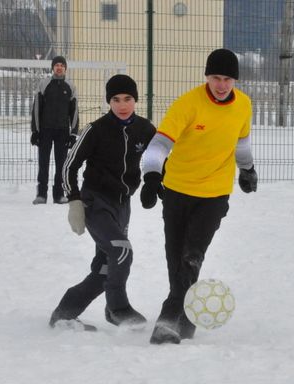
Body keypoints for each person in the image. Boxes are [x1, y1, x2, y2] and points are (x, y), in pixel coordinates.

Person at [140, 48, 258, 345]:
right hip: (178, 190)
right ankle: (187, 317)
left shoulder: (243, 105)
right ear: (207, 77)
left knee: (192, 256)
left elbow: (241, 141)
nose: (221, 85)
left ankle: (167, 321)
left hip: (214, 194)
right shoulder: (188, 104)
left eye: (228, 79)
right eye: (216, 78)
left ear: (235, 80)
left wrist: (247, 169)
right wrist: (152, 176)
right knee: (175, 259)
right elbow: (158, 145)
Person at [48, 74, 156, 330]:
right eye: (116, 99)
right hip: (95, 202)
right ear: (109, 101)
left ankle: (64, 313)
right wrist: (74, 202)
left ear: (135, 100)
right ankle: (117, 309)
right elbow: (69, 166)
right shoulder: (96, 130)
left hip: (122, 205)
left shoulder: (145, 129)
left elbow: (160, 157)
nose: (122, 105)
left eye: (128, 99)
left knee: (106, 268)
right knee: (121, 250)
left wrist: (156, 183)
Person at [31, 55, 79, 205]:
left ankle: (59, 194)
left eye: (62, 65)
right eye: (56, 65)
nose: (59, 67)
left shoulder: (70, 87)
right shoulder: (44, 84)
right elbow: (36, 109)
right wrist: (35, 131)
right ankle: (41, 194)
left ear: (65, 68)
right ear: (52, 68)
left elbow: (75, 112)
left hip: (62, 132)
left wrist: (73, 134)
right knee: (43, 163)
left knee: (62, 164)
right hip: (45, 130)